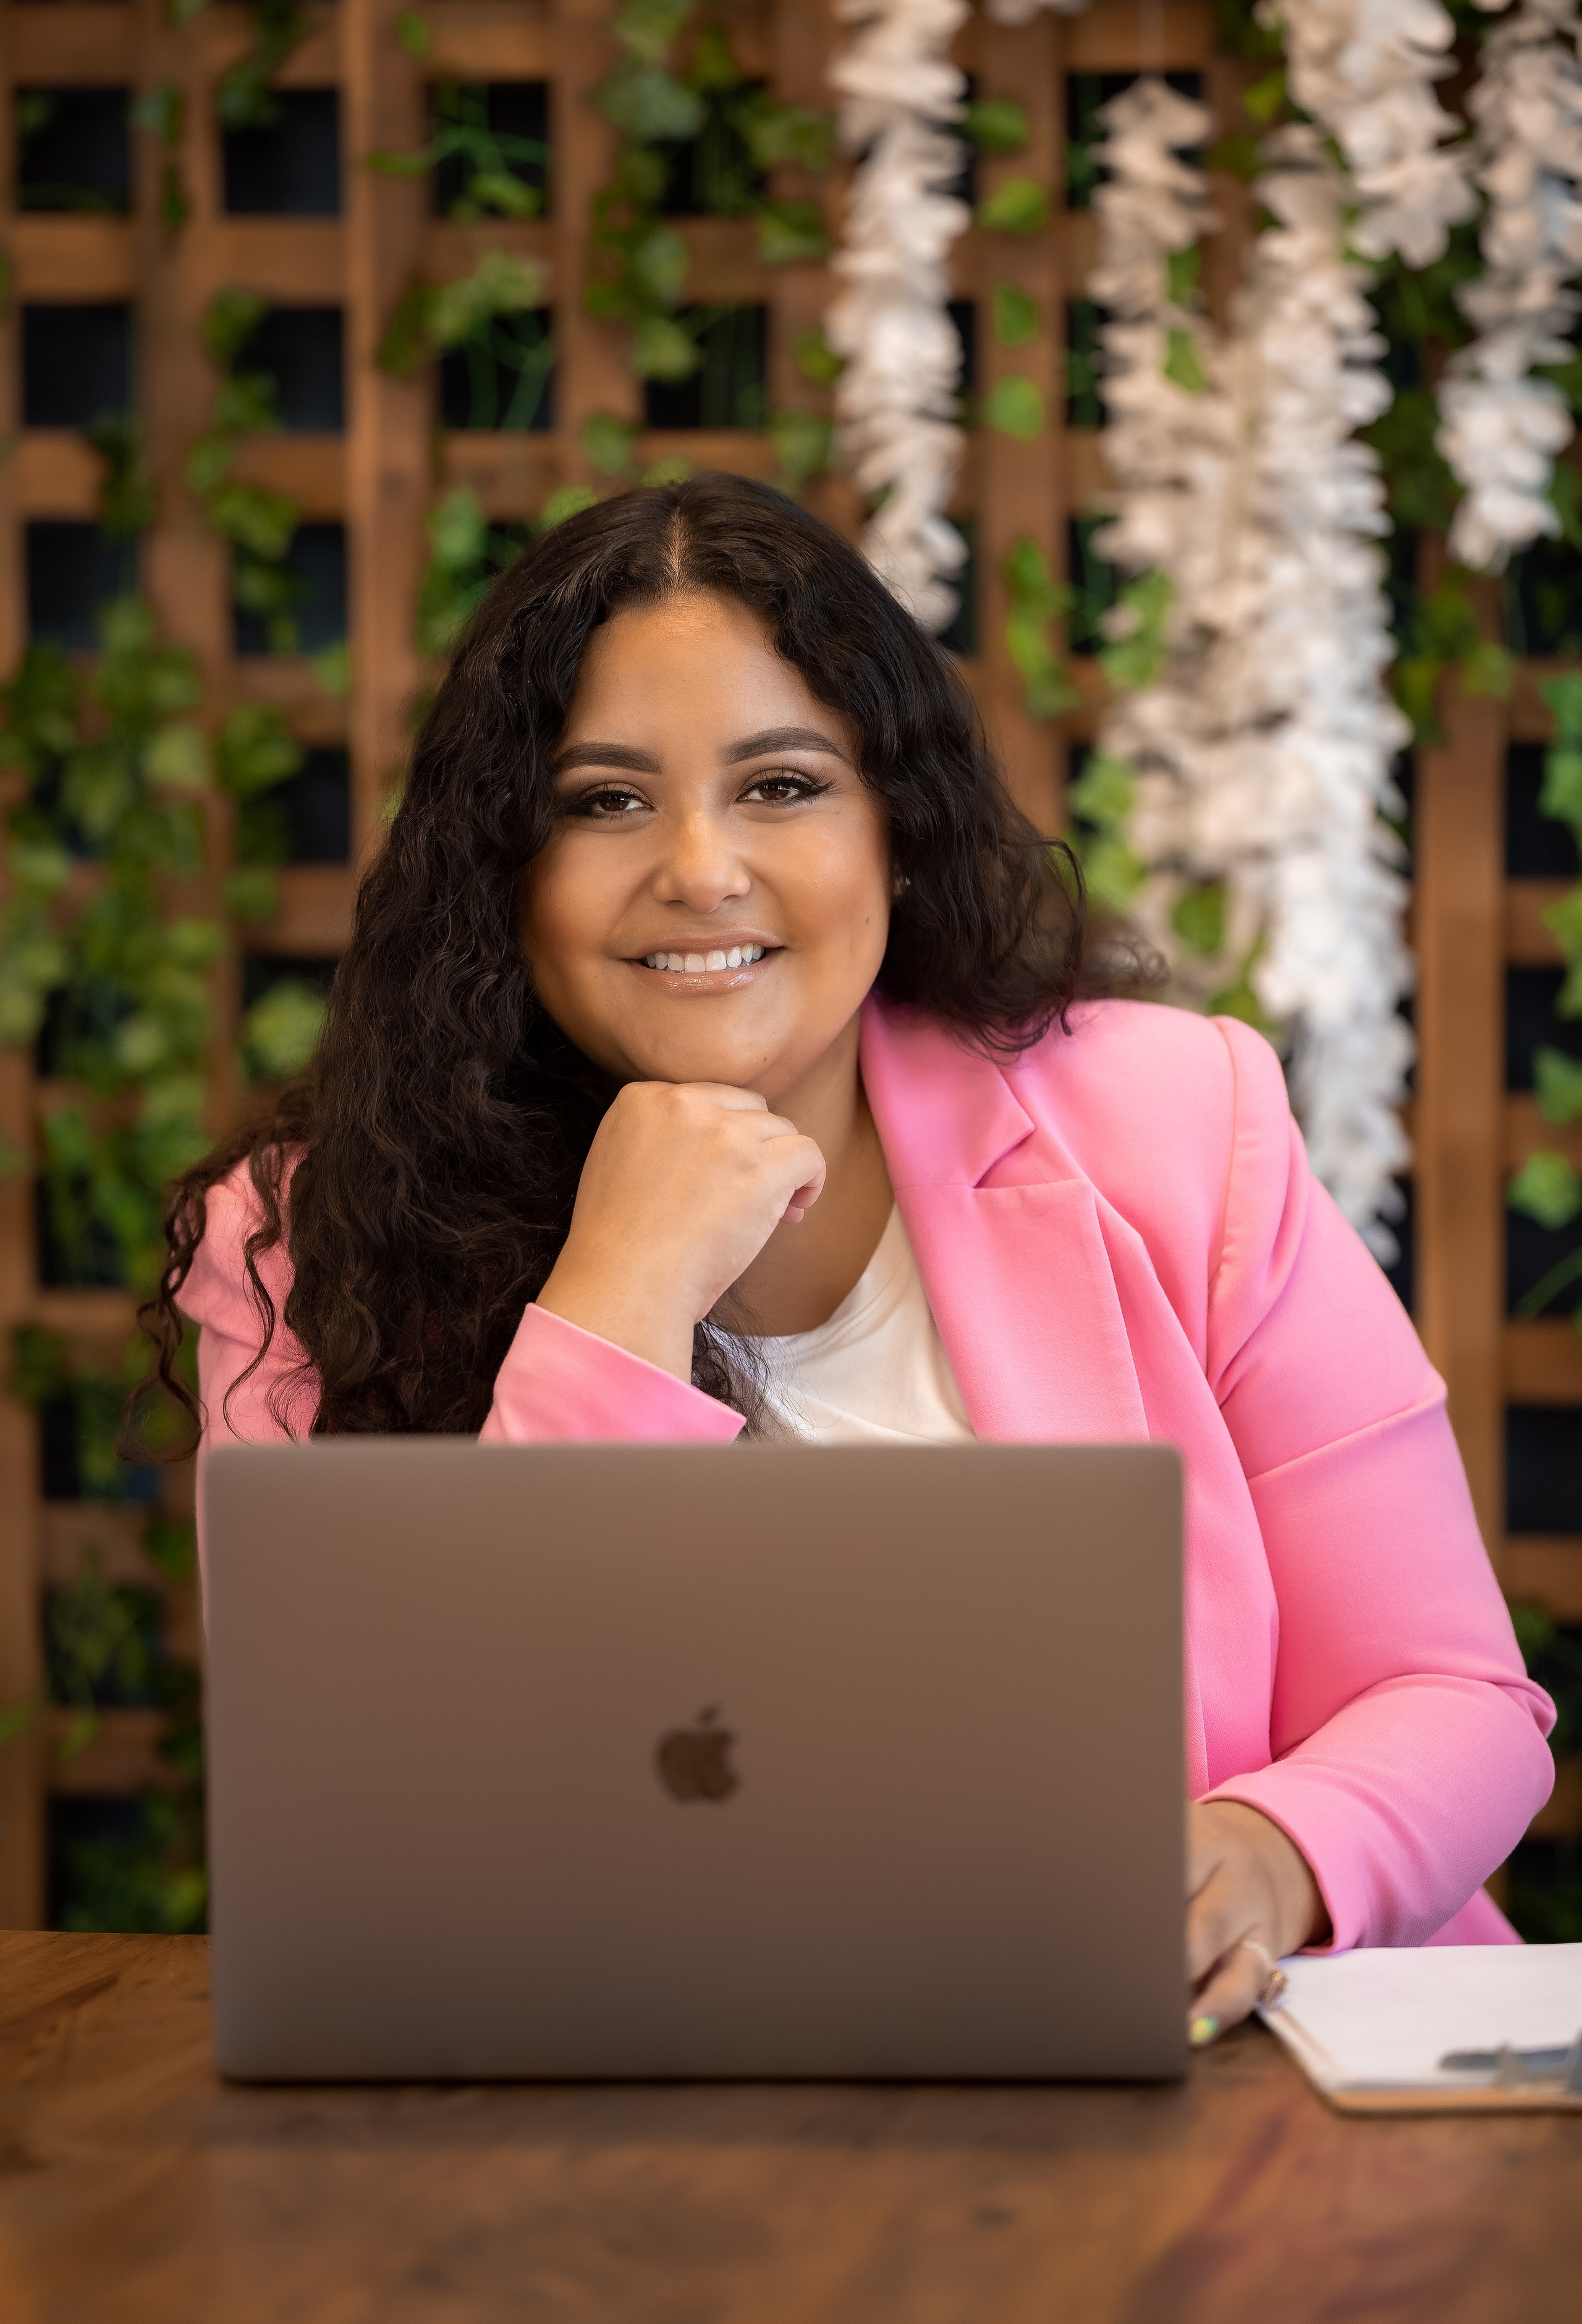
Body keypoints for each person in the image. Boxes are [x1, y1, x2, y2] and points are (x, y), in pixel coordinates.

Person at [137, 473, 1555, 2046]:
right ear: (502, 870)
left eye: (782, 785)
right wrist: (615, 1297)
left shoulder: (1176, 1119)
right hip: (610, 2101)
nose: (699, 866)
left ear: (895, 827)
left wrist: (1278, 1852)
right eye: (602, 799)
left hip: (1211, 2079)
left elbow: (1457, 1704)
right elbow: (380, 1841)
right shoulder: (292, 1245)